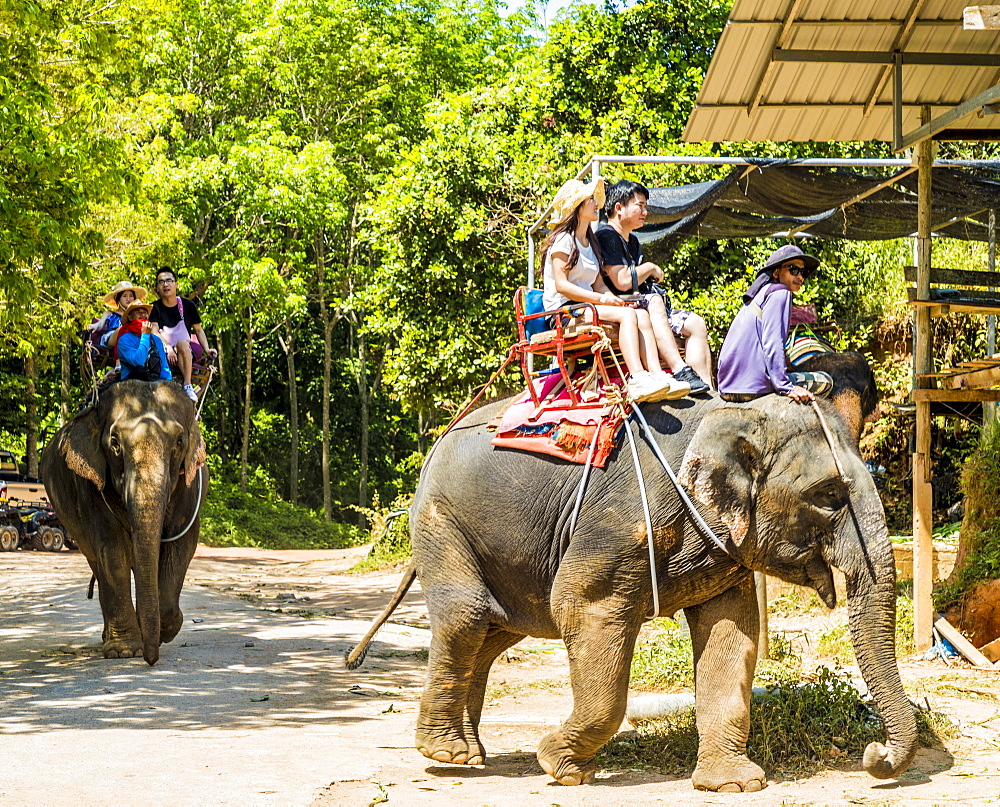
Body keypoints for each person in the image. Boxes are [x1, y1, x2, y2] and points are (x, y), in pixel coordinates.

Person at [541, 178, 689, 402]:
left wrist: (612, 299)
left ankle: (658, 375)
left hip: (586, 306)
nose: (596, 203)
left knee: (639, 312)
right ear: (577, 206)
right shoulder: (563, 240)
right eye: (590, 199)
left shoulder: (589, 242)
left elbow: (598, 283)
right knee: (629, 315)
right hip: (564, 312)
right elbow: (562, 286)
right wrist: (602, 299)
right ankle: (638, 378)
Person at [595, 180, 712, 393]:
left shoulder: (632, 241)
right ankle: (679, 369)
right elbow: (621, 280)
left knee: (695, 323)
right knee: (654, 301)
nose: (645, 211)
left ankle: (705, 386)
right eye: (639, 205)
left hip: (641, 301)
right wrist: (649, 268)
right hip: (623, 304)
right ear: (618, 208)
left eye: (645, 206)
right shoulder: (607, 236)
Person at [717, 244, 833, 403]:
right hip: (752, 387)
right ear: (777, 272)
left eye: (803, 272)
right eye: (794, 270)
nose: (800, 277)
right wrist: (785, 386)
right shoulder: (780, 293)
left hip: (727, 387)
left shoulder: (760, 295)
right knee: (826, 380)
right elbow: (772, 342)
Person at [149, 267, 217, 402]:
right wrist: (168, 348)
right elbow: (154, 331)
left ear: (176, 284)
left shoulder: (187, 305)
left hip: (184, 349)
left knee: (182, 343)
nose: (165, 285)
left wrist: (207, 349)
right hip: (163, 350)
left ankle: (187, 384)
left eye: (169, 281)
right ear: (157, 287)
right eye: (161, 282)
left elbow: (198, 330)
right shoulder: (154, 307)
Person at [113, 300, 172, 382]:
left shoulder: (156, 340)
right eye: (138, 312)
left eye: (145, 312)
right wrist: (145, 335)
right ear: (130, 317)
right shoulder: (124, 339)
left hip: (155, 381)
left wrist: (168, 384)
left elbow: (164, 367)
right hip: (131, 383)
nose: (143, 315)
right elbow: (138, 362)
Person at [86, 280, 148, 349]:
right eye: (124, 296)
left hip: (131, 339)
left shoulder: (136, 315)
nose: (128, 299)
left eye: (131, 296)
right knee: (121, 330)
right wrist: (94, 326)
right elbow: (100, 324)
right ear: (118, 298)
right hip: (111, 337)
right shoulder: (109, 313)